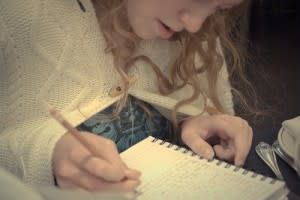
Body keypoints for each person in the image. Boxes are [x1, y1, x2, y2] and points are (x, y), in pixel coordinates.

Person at [0, 0, 253, 193]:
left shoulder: (197, 34)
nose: (195, 24)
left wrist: (193, 121)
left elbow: (202, 103)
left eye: (219, 7)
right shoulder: (15, 13)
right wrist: (47, 154)